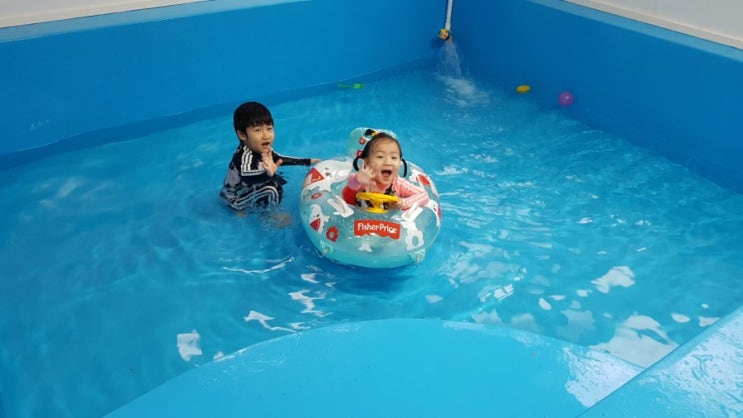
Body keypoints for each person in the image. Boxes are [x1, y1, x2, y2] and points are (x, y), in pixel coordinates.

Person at [220, 101, 319, 211]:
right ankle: (269, 216)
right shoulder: (245, 158)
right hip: (234, 198)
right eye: (258, 130)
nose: (265, 135)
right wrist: (268, 175)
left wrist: (307, 161)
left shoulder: (262, 149)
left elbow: (281, 159)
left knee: (279, 179)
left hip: (247, 189)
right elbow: (249, 178)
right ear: (242, 134)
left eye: (269, 129)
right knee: (273, 188)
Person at [342, 131, 429, 211]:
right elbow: (347, 199)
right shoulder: (361, 180)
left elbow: (423, 195)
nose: (388, 162)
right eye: (380, 157)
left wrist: (402, 203)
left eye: (394, 157)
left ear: (400, 161)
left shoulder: (398, 183)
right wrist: (358, 181)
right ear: (367, 162)